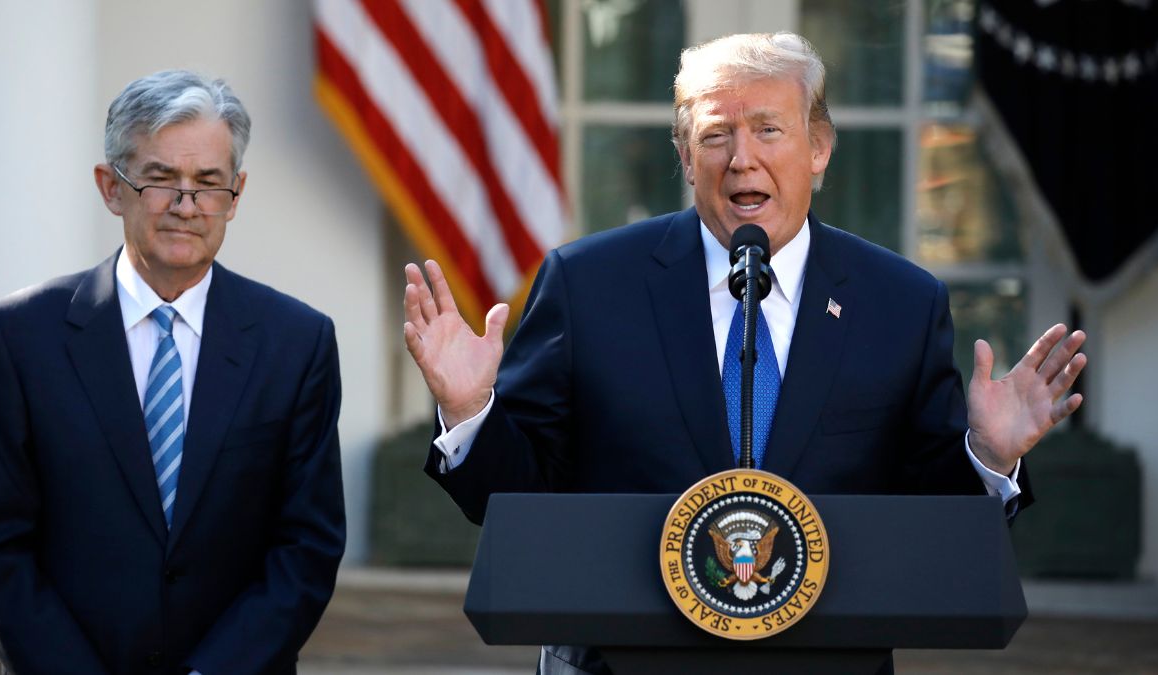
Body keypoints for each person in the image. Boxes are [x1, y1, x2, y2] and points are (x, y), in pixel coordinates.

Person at [404, 33, 1085, 674]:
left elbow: (930, 521)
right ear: (684, 155)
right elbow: (518, 500)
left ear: (819, 147)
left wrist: (988, 456)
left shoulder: (900, 302)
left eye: (768, 129)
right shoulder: (588, 285)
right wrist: (471, 412)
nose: (741, 159)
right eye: (714, 136)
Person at [0, 70, 345, 674]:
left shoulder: (297, 343)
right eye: (161, 180)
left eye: (208, 184)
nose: (185, 207)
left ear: (236, 195)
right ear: (111, 188)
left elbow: (307, 547)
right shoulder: (16, 338)